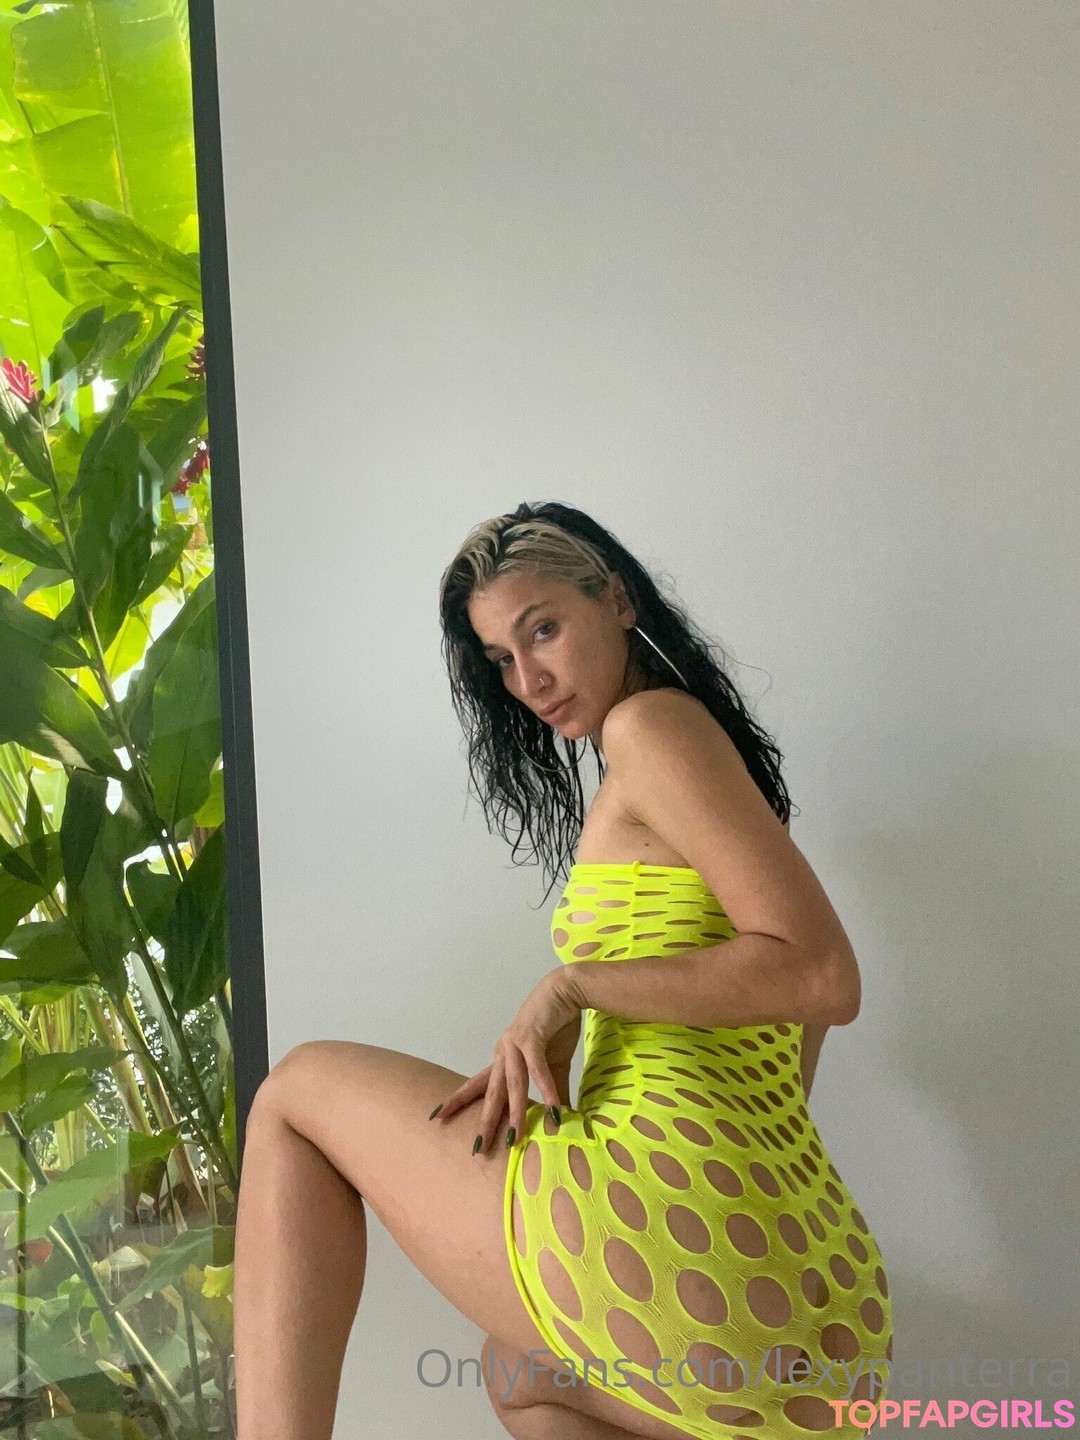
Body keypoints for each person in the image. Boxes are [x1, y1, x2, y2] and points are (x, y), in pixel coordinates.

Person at [233, 500, 893, 1440]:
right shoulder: (717, 774)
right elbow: (790, 1034)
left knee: (295, 1094)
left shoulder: (650, 731)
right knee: (522, 1377)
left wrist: (573, 986)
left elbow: (826, 979)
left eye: (543, 629)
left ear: (617, 601)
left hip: (690, 1227)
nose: (529, 678)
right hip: (816, 1295)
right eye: (502, 659)